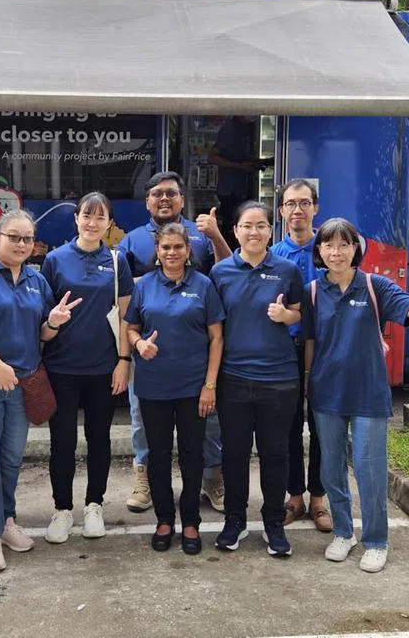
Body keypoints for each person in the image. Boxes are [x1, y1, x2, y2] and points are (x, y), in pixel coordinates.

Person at [0, 210, 81, 573]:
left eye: (28, 239)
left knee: (9, 458)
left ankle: (6, 520)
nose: (22, 244)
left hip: (22, 382)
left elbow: (42, 332)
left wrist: (53, 323)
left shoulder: (36, 280)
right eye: (14, 237)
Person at [303, 218, 409, 574]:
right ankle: (343, 533)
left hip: (368, 393)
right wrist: (307, 384)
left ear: (355, 249)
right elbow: (310, 343)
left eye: (343, 245)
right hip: (326, 393)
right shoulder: (312, 291)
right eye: (328, 245)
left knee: (369, 468)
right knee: (330, 468)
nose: (336, 252)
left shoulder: (375, 286)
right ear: (319, 251)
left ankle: (376, 541)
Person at [117, 171, 230, 515]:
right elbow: (120, 291)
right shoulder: (131, 240)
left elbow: (227, 270)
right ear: (147, 201)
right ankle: (144, 477)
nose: (164, 198)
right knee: (142, 419)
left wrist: (216, 234)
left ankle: (211, 478)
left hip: (195, 351)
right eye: (157, 194)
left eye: (171, 193)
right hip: (148, 353)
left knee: (208, 420)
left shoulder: (201, 234)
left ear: (182, 199)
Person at [210, 201, 304, 557]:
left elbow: (299, 313)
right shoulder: (219, 273)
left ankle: (273, 523)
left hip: (279, 379)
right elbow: (213, 327)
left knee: (275, 454)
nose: (254, 232)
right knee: (234, 453)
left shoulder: (287, 270)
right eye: (247, 226)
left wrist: (285, 316)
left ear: (270, 230)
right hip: (233, 378)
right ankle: (235, 520)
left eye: (261, 225)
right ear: (235, 231)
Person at [124, 223, 225, 555]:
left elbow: (216, 338)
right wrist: (139, 344)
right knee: (158, 455)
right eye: (165, 247)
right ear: (157, 250)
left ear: (188, 250)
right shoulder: (144, 285)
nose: (171, 253)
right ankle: (165, 520)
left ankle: (191, 521)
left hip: (194, 387)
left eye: (177, 247)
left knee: (193, 455)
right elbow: (131, 328)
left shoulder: (204, 285)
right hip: (153, 386)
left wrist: (210, 385)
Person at [40, 192, 134, 543]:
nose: (92, 223)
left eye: (100, 217)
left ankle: (95, 505)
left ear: (109, 223)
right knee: (62, 442)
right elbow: (44, 316)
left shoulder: (117, 261)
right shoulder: (54, 259)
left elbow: (126, 316)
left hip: (103, 368)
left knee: (99, 439)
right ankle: (62, 509)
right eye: (86, 216)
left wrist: (123, 361)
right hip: (61, 367)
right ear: (76, 218)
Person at [269, 179, 331, 532]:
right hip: (286, 350)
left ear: (315, 208)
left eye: (304, 203)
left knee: (322, 425)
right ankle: (295, 495)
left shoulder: (330, 249)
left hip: (326, 349)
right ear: (281, 211)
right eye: (290, 204)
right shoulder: (273, 255)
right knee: (288, 426)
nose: (297, 210)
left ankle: (319, 497)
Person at [208, 116, 265, 250]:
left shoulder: (244, 130)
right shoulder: (230, 129)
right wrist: (240, 166)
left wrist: (260, 162)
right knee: (231, 229)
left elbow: (240, 156)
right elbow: (213, 157)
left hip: (239, 190)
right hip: (229, 191)